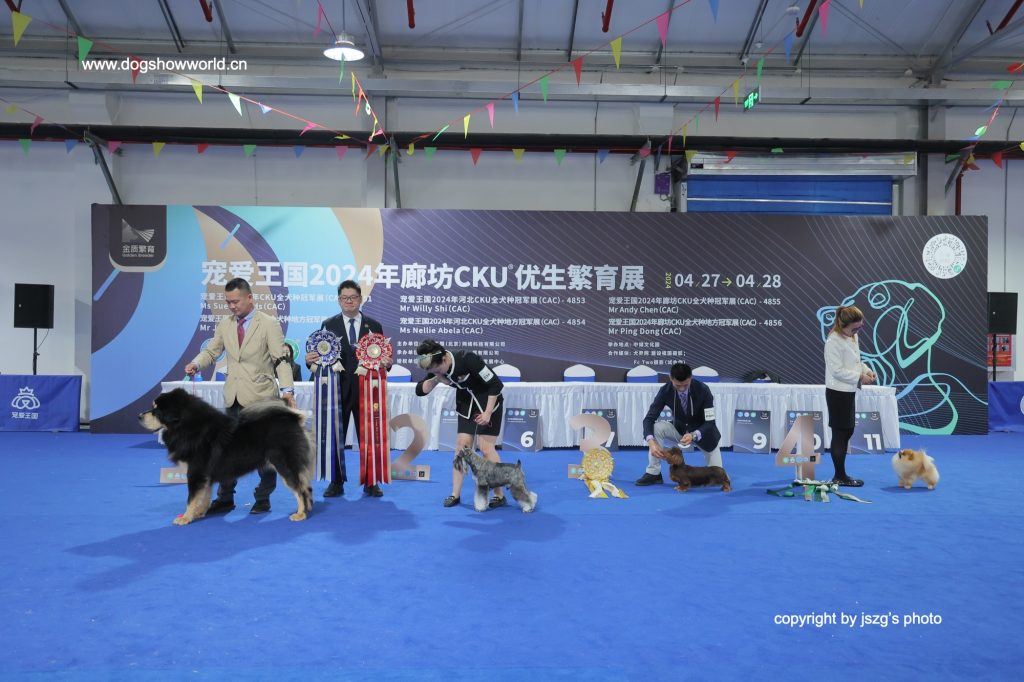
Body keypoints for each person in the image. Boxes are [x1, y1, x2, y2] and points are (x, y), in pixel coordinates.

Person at [185, 277, 295, 514]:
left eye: (236, 301)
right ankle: (225, 498)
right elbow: (212, 351)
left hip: (262, 399)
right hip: (233, 397)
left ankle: (263, 497)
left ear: (250, 298)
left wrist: (287, 390)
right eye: (228, 302)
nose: (232, 306)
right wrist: (196, 363)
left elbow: (281, 360)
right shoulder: (225, 324)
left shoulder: (269, 323)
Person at [304, 280, 387, 498]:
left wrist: (385, 362)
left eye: (353, 297)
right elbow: (318, 357)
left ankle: (371, 481)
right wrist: (309, 360)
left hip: (366, 390)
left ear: (361, 299)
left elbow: (382, 357)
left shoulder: (374, 326)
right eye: (344, 298)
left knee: (368, 435)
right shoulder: (328, 325)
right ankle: (336, 482)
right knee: (334, 436)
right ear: (339, 300)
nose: (349, 301)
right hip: (336, 391)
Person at [414, 339, 507, 508]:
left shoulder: (467, 358)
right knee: (461, 448)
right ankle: (455, 494)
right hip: (466, 404)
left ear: (444, 359)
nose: (437, 372)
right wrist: (436, 379)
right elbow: (420, 391)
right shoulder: (436, 364)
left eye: (438, 370)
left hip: (488, 402)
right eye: (433, 371)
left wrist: (487, 413)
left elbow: (495, 385)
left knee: (486, 448)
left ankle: (499, 495)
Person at [635, 362, 722, 486]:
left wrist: (694, 435)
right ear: (670, 378)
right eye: (677, 385)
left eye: (685, 385)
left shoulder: (703, 390)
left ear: (691, 378)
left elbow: (710, 422)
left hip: (703, 433)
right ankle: (653, 473)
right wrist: (651, 442)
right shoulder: (665, 391)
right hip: (679, 430)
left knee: (718, 478)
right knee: (656, 428)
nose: (681, 389)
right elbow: (649, 419)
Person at [824, 304, 876, 487]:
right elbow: (837, 371)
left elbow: (855, 361)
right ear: (842, 324)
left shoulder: (852, 336)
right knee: (840, 433)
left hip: (849, 391)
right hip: (837, 393)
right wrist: (860, 377)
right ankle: (839, 476)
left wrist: (866, 370)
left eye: (860, 327)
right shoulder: (833, 342)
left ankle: (840, 474)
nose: (857, 331)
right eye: (854, 328)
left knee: (848, 431)